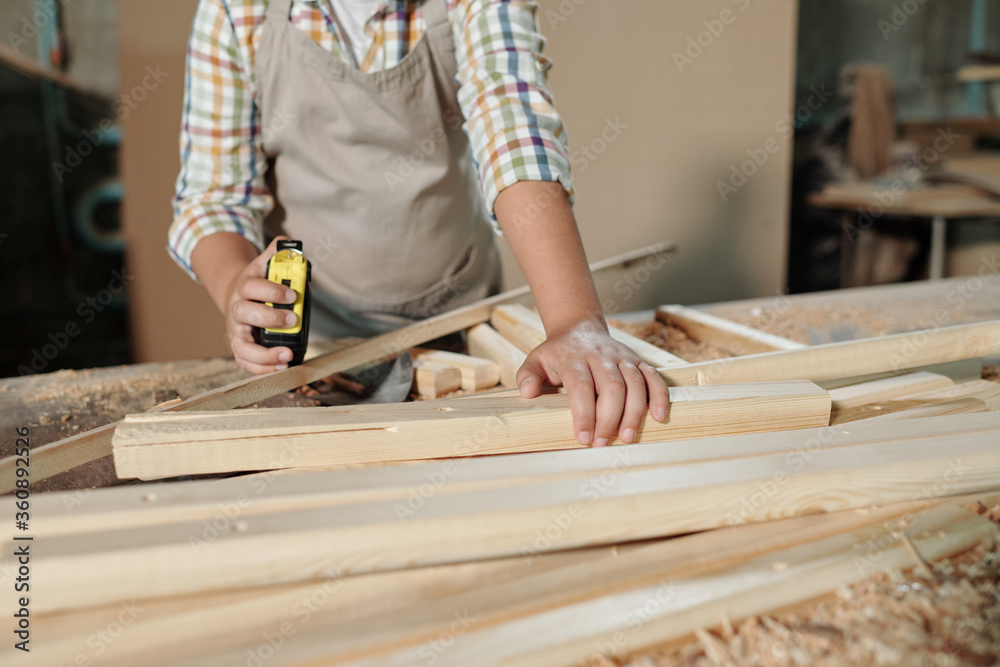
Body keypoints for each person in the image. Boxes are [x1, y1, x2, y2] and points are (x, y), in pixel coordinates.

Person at [168, 0, 669, 447]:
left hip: (459, 320)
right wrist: (239, 285)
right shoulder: (236, 10)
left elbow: (514, 135)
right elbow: (213, 198)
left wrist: (573, 320)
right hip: (313, 346)